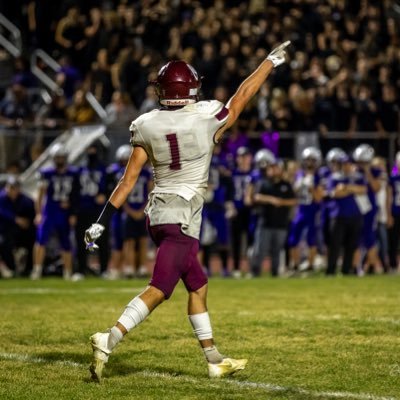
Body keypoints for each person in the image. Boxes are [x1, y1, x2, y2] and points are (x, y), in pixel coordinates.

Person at [84, 41, 291, 381]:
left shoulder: (147, 123)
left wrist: (101, 221)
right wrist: (269, 62)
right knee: (160, 288)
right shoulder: (206, 117)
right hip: (182, 217)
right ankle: (109, 338)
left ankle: (213, 359)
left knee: (198, 285)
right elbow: (242, 96)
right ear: (191, 88)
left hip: (158, 217)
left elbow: (128, 180)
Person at [31, 144, 79, 280]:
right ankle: (37, 270)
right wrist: (38, 213)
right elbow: (40, 195)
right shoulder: (46, 173)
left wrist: (73, 212)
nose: (60, 160)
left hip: (64, 212)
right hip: (49, 211)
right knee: (41, 240)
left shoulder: (73, 173)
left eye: (62, 157)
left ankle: (67, 272)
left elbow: (76, 195)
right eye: (58, 157)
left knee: (66, 243)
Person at [249, 158, 297, 277]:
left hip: (281, 223)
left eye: (276, 168)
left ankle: (275, 273)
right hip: (265, 222)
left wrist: (281, 202)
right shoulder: (264, 183)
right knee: (260, 249)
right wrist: (271, 200)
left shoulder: (286, 185)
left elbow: (294, 200)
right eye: (272, 168)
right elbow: (256, 197)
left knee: (277, 250)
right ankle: (255, 272)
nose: (273, 170)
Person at [0, 176, 35, 277]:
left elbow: (32, 213)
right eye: (10, 187)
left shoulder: (25, 200)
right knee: (5, 243)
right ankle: (11, 268)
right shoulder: (1, 198)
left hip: (21, 231)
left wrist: (27, 222)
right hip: (4, 231)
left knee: (33, 239)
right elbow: (2, 212)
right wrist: (16, 219)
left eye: (14, 188)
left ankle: (29, 269)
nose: (12, 190)